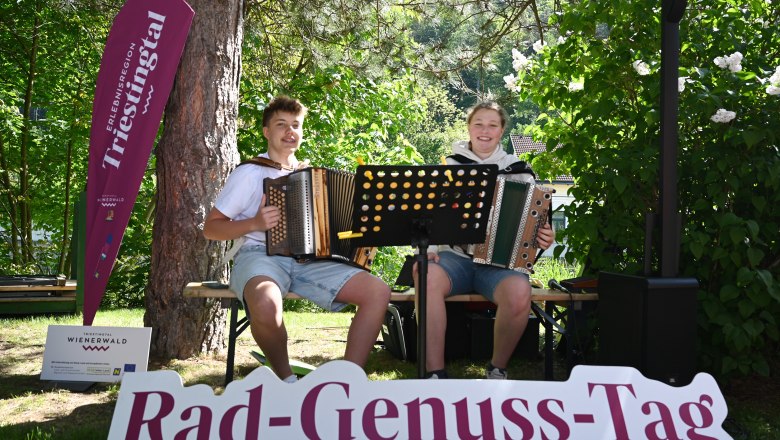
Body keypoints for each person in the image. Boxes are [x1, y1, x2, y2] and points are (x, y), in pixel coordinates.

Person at [203, 95, 391, 383]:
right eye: (281, 125)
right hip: (259, 255)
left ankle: (349, 380)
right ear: (267, 132)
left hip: (311, 259)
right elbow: (211, 229)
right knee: (266, 304)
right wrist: (254, 222)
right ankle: (287, 381)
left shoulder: (310, 174)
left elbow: (333, 227)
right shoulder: (249, 173)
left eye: (296, 125)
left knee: (377, 291)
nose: (290, 131)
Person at [416, 101, 555, 380]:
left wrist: (545, 237)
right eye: (478, 123)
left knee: (519, 293)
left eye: (492, 125)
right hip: (455, 258)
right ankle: (434, 372)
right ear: (468, 127)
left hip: (499, 265)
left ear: (502, 131)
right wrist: (429, 248)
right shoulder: (449, 167)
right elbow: (428, 216)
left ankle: (497, 369)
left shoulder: (520, 171)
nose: (484, 130)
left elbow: (537, 226)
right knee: (425, 274)